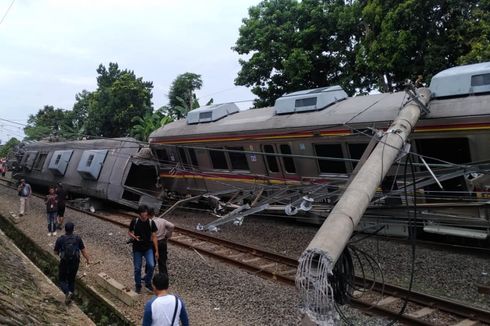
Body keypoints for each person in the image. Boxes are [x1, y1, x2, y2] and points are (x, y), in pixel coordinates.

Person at [54, 222, 90, 305]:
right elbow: (83, 251)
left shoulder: (60, 239)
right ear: (73, 229)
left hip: (64, 262)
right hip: (75, 262)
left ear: (65, 229)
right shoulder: (77, 238)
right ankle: (70, 296)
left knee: (62, 280)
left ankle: (67, 293)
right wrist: (87, 259)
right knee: (71, 280)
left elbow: (55, 252)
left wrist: (60, 252)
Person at [128, 205, 159, 294]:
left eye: (145, 212)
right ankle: (138, 285)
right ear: (139, 213)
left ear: (147, 213)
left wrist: (156, 251)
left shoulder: (151, 222)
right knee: (137, 268)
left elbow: (154, 237)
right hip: (137, 248)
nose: (144, 214)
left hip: (148, 248)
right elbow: (129, 232)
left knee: (151, 265)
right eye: (142, 212)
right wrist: (134, 237)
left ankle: (148, 282)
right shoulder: (135, 221)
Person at [151, 208, 175, 277]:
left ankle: (148, 276)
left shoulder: (150, 222)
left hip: (153, 243)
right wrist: (168, 234)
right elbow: (172, 226)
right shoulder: (162, 220)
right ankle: (164, 277)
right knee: (162, 261)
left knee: (151, 260)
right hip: (162, 242)